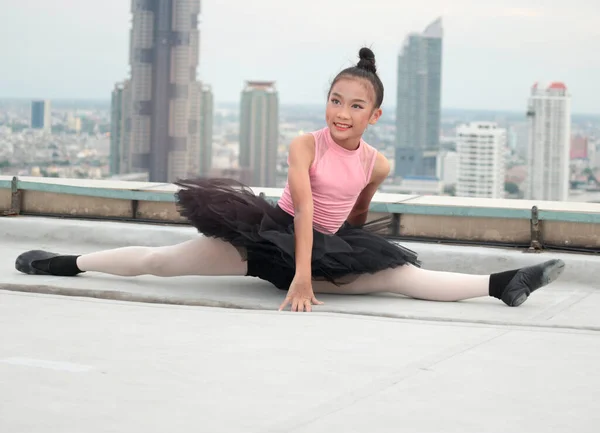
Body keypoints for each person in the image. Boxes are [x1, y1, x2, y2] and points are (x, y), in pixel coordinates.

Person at [15, 48, 564, 312]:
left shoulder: (379, 162)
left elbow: (353, 212)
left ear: (374, 115)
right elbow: (302, 211)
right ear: (326, 103)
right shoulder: (306, 145)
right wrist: (302, 277)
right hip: (272, 232)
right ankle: (65, 263)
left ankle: (504, 284)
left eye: (355, 106)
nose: (341, 113)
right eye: (334, 100)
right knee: (163, 263)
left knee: (399, 277)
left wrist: (346, 252)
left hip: (325, 244)